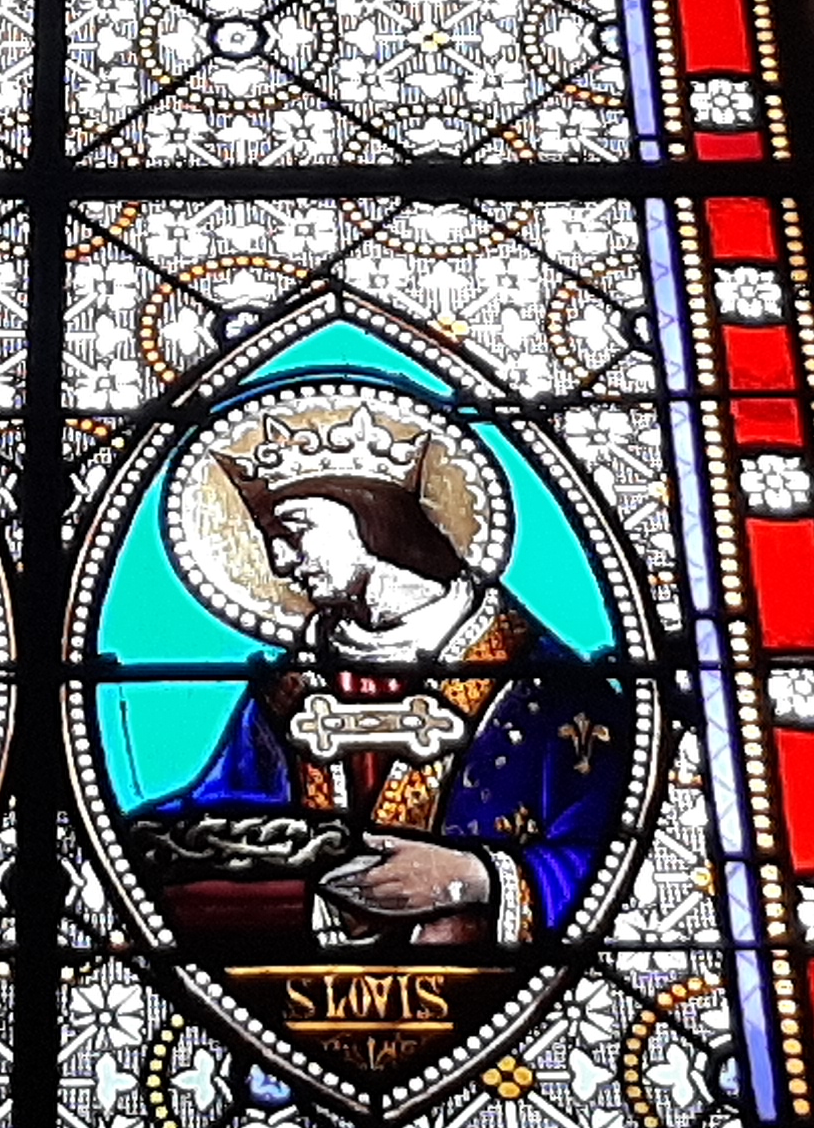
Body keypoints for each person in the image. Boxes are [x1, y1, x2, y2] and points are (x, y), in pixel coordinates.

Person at [137, 398, 629, 949]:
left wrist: (476, 878)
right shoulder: (289, 691)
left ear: (373, 517)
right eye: (269, 539)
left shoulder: (547, 689)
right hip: (302, 980)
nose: (280, 562)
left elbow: (616, 847)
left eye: (294, 530)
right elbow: (225, 820)